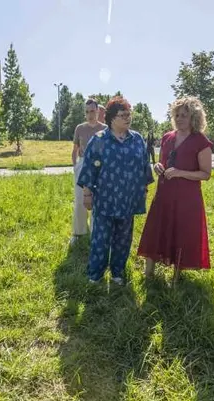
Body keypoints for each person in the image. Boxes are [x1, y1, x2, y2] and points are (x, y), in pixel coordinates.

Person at [77, 96, 154, 284]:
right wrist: (87, 194)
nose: (128, 118)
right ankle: (95, 275)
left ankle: (118, 273)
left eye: (129, 115)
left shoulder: (136, 139)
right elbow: (89, 168)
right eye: (123, 115)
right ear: (112, 118)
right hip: (105, 199)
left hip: (128, 199)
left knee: (123, 240)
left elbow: (144, 166)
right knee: (100, 240)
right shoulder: (99, 140)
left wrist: (143, 189)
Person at [138, 97, 213, 286]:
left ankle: (176, 276)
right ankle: (148, 273)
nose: (179, 119)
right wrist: (158, 166)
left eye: (184, 116)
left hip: (187, 198)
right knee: (156, 229)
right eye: (177, 115)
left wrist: (180, 173)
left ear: (194, 117)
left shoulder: (200, 141)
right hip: (164, 194)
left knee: (182, 232)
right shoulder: (167, 137)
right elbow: (163, 162)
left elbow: (206, 174)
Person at [71, 99, 107, 243]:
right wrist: (75, 166)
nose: (89, 114)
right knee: (80, 200)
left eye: (92, 111)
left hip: (100, 166)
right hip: (83, 164)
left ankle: (95, 233)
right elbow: (74, 150)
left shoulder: (106, 128)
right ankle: (78, 233)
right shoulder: (80, 128)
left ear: (98, 111)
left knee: (97, 200)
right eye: (87, 112)